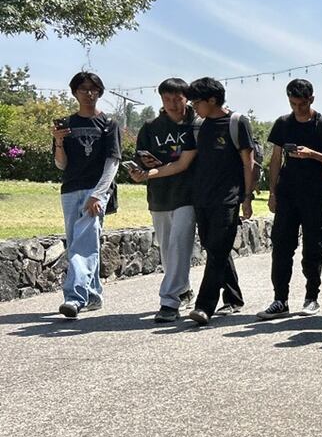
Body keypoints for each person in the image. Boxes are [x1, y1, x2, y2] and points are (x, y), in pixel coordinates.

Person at [256, 79, 322, 320]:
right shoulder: (283, 123)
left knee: (313, 248)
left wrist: (312, 154)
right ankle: (280, 300)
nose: (298, 109)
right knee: (281, 248)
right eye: (293, 104)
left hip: (315, 194)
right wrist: (272, 192)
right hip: (288, 194)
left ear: (312, 99)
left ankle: (311, 297)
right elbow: (275, 159)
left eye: (302, 104)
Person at [185, 77, 255, 325]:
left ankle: (205, 307)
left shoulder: (237, 122)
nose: (193, 105)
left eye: (196, 101)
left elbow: (249, 163)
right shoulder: (198, 125)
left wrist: (247, 198)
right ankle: (234, 298)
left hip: (228, 198)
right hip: (202, 197)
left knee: (216, 251)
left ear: (212, 100)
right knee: (215, 248)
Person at [52, 72, 121, 318]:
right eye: (83, 89)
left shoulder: (109, 124)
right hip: (70, 188)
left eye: (93, 89)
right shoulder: (65, 124)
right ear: (75, 92)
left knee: (84, 241)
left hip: (96, 190)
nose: (89, 93)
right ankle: (93, 295)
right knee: (79, 242)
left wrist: (98, 194)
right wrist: (59, 142)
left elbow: (113, 162)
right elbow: (61, 165)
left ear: (100, 92)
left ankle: (74, 297)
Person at [131, 78, 198, 322]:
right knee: (168, 250)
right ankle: (184, 289)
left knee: (180, 244)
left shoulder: (196, 124)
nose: (171, 104)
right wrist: (139, 170)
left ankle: (169, 301)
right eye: (166, 99)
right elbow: (140, 158)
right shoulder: (151, 126)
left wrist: (150, 172)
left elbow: (186, 162)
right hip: (159, 195)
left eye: (177, 99)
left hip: (188, 194)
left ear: (186, 99)